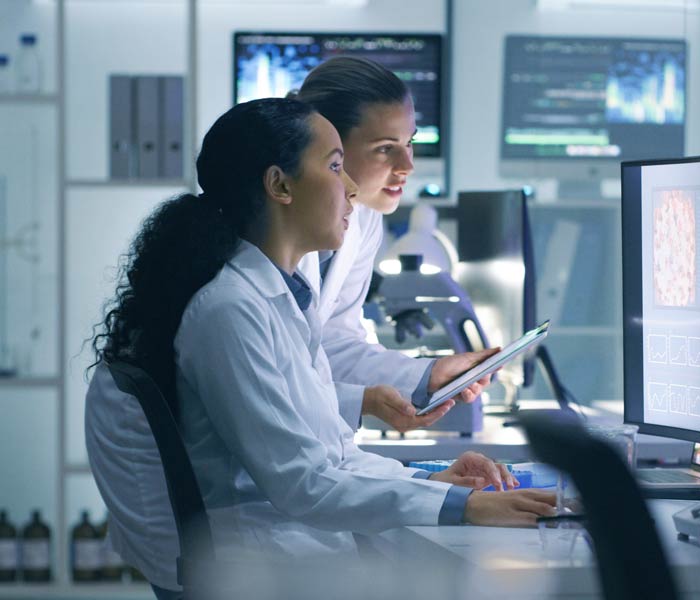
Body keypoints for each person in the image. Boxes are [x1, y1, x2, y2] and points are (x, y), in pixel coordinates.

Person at [86, 98, 555, 600]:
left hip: (295, 552)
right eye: (335, 166)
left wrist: (436, 480)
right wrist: (463, 506)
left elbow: (330, 453)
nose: (352, 187)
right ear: (279, 185)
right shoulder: (229, 309)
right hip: (267, 566)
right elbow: (304, 483)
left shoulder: (279, 296)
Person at [288, 57, 494, 432]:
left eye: (409, 143)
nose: (407, 165)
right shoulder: (262, 244)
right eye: (385, 148)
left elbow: (332, 343)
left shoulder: (363, 218)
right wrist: (364, 402)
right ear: (327, 146)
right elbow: (278, 386)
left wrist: (427, 374)